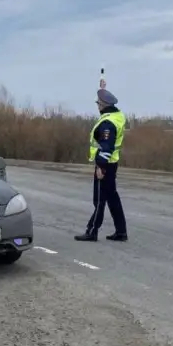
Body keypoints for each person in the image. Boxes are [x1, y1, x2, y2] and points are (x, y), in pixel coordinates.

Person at [75, 88, 128, 242]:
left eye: (98, 103)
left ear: (104, 105)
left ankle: (92, 231)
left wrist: (101, 167)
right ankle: (121, 231)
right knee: (112, 198)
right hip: (112, 163)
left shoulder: (107, 123)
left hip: (105, 165)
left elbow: (106, 147)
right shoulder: (117, 116)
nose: (97, 105)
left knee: (99, 200)